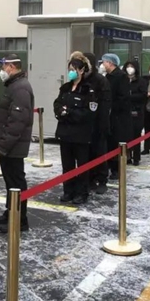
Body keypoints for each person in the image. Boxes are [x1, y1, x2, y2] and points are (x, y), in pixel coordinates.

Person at [0, 54, 34, 233]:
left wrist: (3, 145)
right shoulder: (13, 86)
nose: (2, 70)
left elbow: (17, 122)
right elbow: (6, 114)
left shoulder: (20, 88)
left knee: (16, 182)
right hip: (9, 145)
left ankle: (20, 220)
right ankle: (11, 213)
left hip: (13, 147)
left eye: (3, 67)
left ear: (11, 67)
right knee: (11, 182)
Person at [54, 52, 97, 205]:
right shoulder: (65, 88)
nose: (71, 72)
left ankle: (81, 193)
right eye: (70, 69)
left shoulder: (88, 90)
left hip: (80, 135)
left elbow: (88, 113)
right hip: (65, 133)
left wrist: (69, 112)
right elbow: (57, 104)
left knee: (82, 165)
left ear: (82, 70)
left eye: (74, 69)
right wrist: (61, 112)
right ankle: (68, 191)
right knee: (67, 165)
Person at [83, 52, 111, 195]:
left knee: (99, 152)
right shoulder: (80, 79)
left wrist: (102, 124)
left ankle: (102, 179)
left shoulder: (100, 80)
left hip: (99, 123)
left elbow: (105, 104)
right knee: (86, 154)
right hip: (84, 124)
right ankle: (89, 179)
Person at [102, 53, 132, 182]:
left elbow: (123, 97)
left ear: (110, 63)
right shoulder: (108, 76)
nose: (102, 65)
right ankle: (110, 166)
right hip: (109, 115)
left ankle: (116, 169)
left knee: (116, 142)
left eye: (104, 62)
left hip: (118, 116)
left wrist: (111, 106)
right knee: (109, 142)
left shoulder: (121, 76)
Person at [122, 60, 147, 166]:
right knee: (126, 136)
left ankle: (136, 157)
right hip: (124, 111)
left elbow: (143, 95)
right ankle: (127, 156)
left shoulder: (141, 81)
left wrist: (129, 96)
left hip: (137, 111)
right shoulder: (123, 80)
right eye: (128, 66)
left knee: (136, 135)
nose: (129, 68)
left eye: (131, 66)